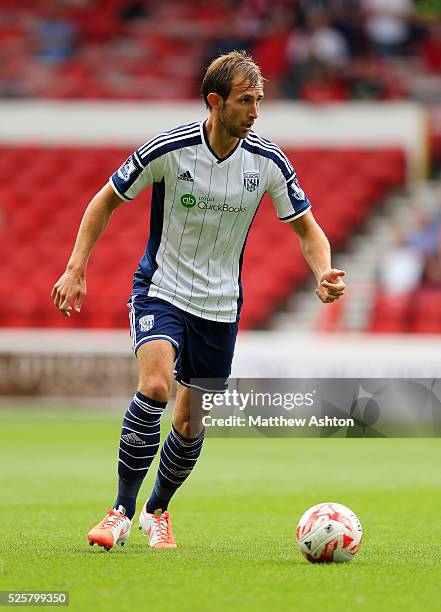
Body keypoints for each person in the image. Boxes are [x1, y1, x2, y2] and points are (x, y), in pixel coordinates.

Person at [51, 50, 346, 551]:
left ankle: (156, 511)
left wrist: (323, 271)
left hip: (219, 306)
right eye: (245, 101)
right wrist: (76, 266)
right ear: (215, 101)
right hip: (161, 290)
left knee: (189, 422)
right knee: (156, 385)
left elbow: (306, 228)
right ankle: (120, 511)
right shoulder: (169, 149)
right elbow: (104, 199)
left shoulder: (268, 162)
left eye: (259, 101)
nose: (255, 112)